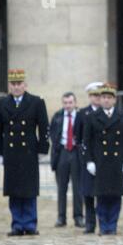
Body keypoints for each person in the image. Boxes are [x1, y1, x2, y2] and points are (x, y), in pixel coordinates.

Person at [0, 69, 50, 236]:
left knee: (29, 189)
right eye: (13, 84)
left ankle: (30, 224)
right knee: (14, 190)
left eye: (19, 84)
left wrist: (42, 148)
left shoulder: (36, 102)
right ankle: (17, 224)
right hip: (11, 152)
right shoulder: (2, 103)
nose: (16, 87)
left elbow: (44, 127)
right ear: (9, 85)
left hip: (29, 152)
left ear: (25, 85)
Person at [83, 83, 123, 235]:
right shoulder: (92, 117)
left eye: (109, 97)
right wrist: (89, 161)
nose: (105, 100)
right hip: (100, 161)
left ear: (114, 100)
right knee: (102, 196)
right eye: (103, 97)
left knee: (115, 196)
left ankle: (113, 225)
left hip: (117, 161)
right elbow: (87, 141)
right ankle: (104, 225)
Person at [50, 92, 84, 228]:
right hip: (62, 152)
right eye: (65, 103)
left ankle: (78, 216)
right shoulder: (57, 116)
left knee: (78, 187)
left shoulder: (81, 116)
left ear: (75, 103)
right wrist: (57, 147)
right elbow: (53, 133)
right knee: (61, 187)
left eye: (70, 102)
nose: (68, 105)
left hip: (76, 152)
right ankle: (61, 217)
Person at [74, 82, 103, 234]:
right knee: (88, 194)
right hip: (88, 158)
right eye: (93, 95)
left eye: (99, 95)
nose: (96, 98)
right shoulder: (82, 113)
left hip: (104, 158)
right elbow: (78, 137)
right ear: (89, 97)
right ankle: (90, 224)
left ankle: (104, 223)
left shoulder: (107, 111)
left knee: (103, 193)